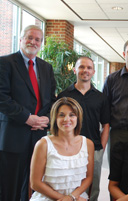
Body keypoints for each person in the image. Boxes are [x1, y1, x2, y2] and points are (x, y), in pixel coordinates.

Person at [0, 25, 56, 201]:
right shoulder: (5, 63)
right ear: (21, 39)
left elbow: (51, 98)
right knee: (10, 188)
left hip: (38, 135)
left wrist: (46, 118)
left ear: (41, 43)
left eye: (37, 39)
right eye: (30, 37)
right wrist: (27, 118)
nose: (33, 42)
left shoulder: (46, 68)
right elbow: (2, 97)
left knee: (34, 185)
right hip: (13, 137)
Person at [57, 56, 110, 201]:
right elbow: (57, 123)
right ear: (75, 70)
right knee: (70, 186)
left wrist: (101, 148)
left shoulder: (101, 98)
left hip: (94, 149)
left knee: (93, 188)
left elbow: (106, 125)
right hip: (69, 149)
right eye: (81, 67)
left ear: (93, 72)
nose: (85, 70)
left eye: (89, 68)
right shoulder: (64, 96)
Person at [30, 97, 94, 201]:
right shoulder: (43, 144)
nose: (66, 119)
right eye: (61, 115)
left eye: (72, 115)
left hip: (76, 197)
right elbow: (35, 183)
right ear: (55, 118)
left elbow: (89, 178)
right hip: (47, 197)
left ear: (78, 118)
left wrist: (72, 197)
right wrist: (64, 198)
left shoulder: (88, 144)